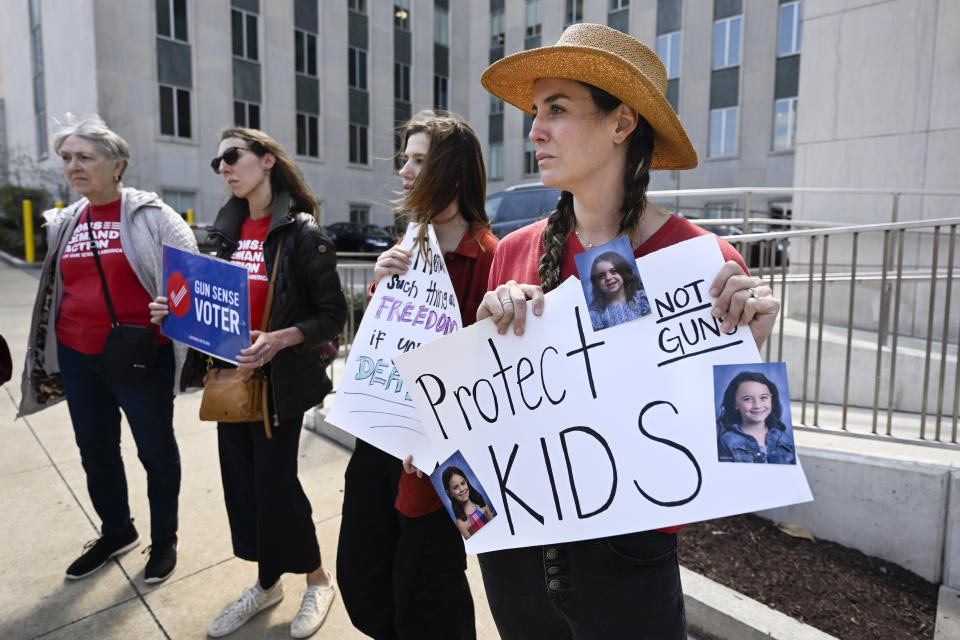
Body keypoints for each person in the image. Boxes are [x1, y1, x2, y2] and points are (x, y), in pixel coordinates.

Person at [475, 24, 782, 638]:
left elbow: (736, 442)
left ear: (622, 123)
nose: (534, 130)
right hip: (515, 550)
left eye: (556, 109)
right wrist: (486, 344)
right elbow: (485, 414)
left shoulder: (702, 261)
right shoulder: (511, 253)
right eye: (536, 111)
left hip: (628, 558)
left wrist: (752, 345)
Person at [151, 127, 346, 638]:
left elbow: (332, 315)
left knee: (275, 487)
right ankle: (266, 584)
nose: (224, 168)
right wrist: (172, 310)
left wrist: (280, 338)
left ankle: (319, 580)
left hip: (278, 387)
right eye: (218, 162)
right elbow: (210, 309)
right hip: (229, 385)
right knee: (247, 492)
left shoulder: (303, 234)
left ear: (266, 161)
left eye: (232, 157)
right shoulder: (224, 235)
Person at [336, 111, 496, 640]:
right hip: (379, 443)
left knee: (427, 592)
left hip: (436, 464)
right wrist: (383, 287)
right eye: (405, 159)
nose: (404, 171)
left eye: (419, 161)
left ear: (453, 174)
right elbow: (384, 347)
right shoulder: (408, 247)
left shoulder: (492, 259)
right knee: (364, 577)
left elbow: (493, 376)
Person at [19, 114, 197, 584]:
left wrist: (172, 307)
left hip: (139, 356)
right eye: (66, 158)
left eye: (85, 157)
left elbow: (192, 282)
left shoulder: (152, 216)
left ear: (116, 165)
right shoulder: (66, 221)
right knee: (95, 450)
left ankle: (164, 541)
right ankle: (117, 530)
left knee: (155, 453)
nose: (73, 166)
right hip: (78, 356)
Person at [717, 371, 795, 464]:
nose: (757, 405)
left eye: (763, 398)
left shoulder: (783, 438)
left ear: (771, 400)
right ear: (735, 403)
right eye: (748, 399)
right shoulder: (726, 441)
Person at [587, 250, 650, 329]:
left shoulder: (640, 298)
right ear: (596, 283)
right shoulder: (597, 313)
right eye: (601, 276)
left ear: (623, 273)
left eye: (613, 271)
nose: (608, 278)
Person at [442, 466, 494, 540]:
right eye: (456, 487)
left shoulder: (482, 504)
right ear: (450, 493)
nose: (462, 489)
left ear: (467, 482)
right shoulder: (461, 523)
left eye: (463, 483)